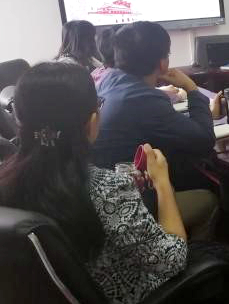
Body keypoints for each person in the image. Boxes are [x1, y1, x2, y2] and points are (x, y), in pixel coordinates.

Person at [0, 62, 229, 304]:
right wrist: (162, 184)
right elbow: (173, 259)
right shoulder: (104, 188)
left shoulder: (7, 183)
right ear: (91, 120)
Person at [92, 21, 219, 237]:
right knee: (208, 200)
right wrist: (191, 88)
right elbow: (204, 140)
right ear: (163, 63)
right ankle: (186, 254)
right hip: (129, 207)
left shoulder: (109, 79)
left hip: (105, 196)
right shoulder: (142, 98)